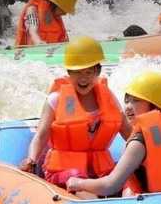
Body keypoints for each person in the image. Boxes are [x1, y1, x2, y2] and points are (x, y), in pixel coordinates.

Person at [20, 36, 130, 187]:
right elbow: (41, 135)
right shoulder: (55, 99)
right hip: (64, 172)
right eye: (78, 72)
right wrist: (31, 159)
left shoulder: (108, 96)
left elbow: (127, 131)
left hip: (98, 170)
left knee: (128, 177)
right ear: (69, 72)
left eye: (89, 72)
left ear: (97, 72)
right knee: (77, 178)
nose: (83, 79)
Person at [14, 0, 78, 47]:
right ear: (54, 3)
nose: (65, 13)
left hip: (52, 53)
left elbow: (64, 41)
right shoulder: (32, 9)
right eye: (63, 9)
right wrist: (38, 42)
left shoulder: (55, 16)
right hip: (29, 53)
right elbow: (32, 30)